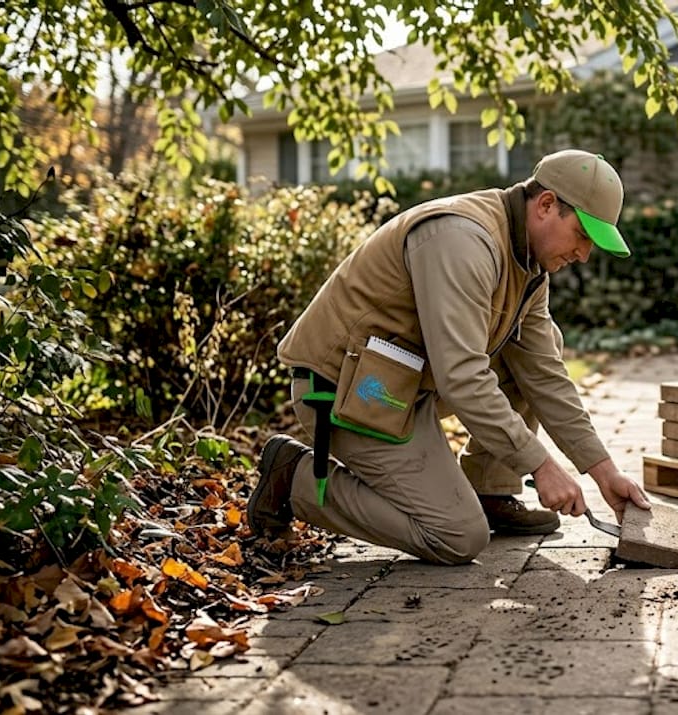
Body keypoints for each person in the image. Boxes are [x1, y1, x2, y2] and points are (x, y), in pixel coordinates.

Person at [248, 149, 651, 564]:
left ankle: (489, 490)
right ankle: (293, 479)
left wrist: (604, 471)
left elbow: (544, 373)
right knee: (456, 536)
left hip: (401, 383)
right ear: (546, 205)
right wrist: (541, 465)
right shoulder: (462, 240)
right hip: (346, 390)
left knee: (542, 344)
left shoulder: (529, 265)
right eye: (582, 235)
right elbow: (462, 376)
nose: (583, 254)